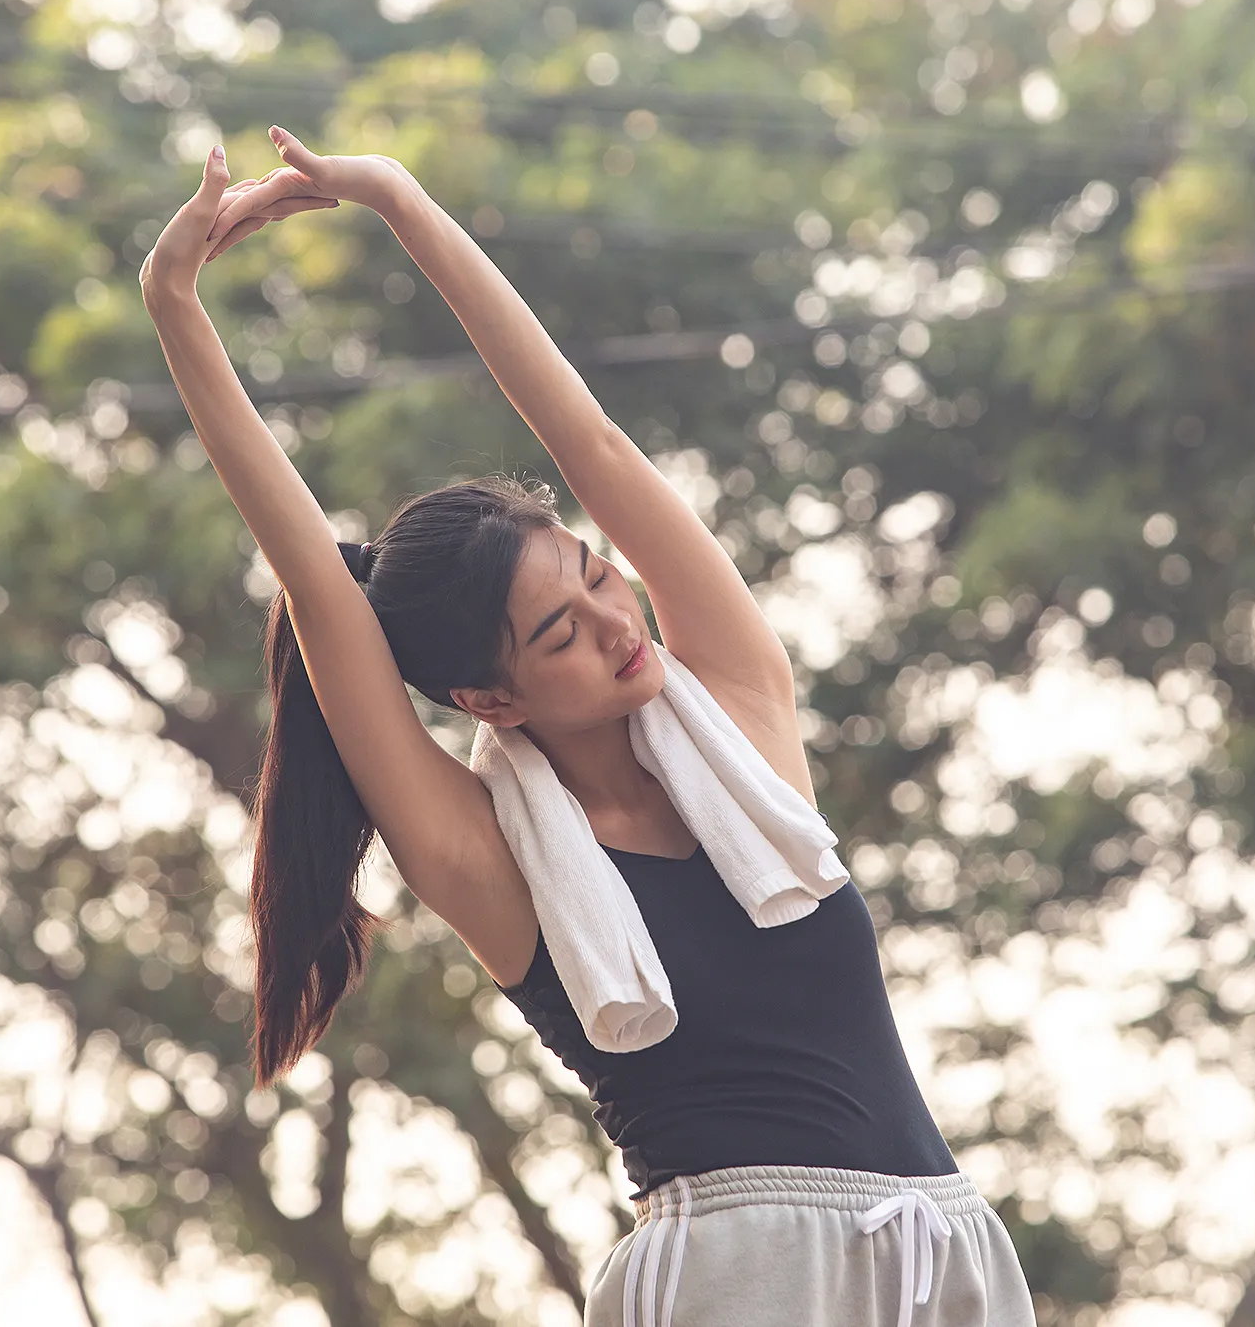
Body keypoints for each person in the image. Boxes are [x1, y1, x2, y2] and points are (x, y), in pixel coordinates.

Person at [140, 128, 1035, 1327]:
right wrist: (173, 302)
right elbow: (313, 582)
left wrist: (402, 199)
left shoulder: (742, 727)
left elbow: (590, 443)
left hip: (940, 1255)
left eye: (596, 576)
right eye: (558, 633)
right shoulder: (493, 866)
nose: (615, 619)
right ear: (490, 701)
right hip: (732, 1282)